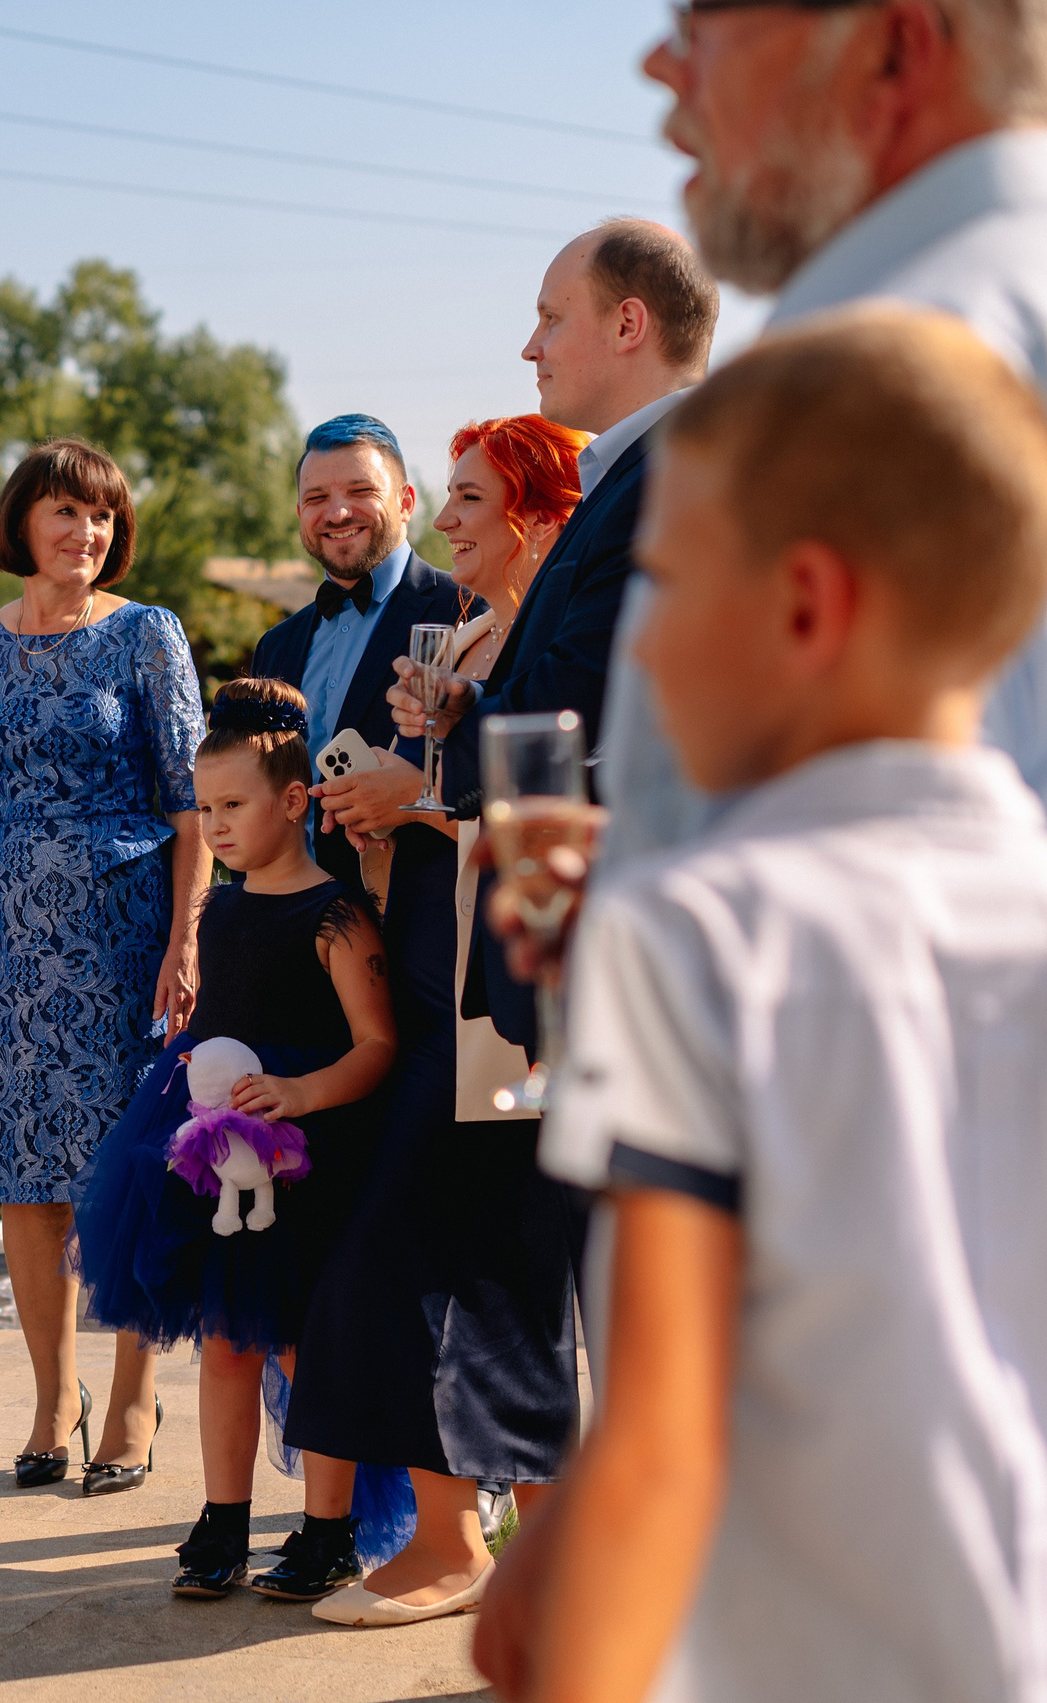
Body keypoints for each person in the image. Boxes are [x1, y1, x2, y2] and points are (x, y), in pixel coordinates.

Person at [486, 309, 1047, 1703]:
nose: (639, 655)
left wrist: (559, 1599)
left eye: (666, 587)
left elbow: (659, 1434)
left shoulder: (695, 937)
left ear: (803, 605)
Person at [586, 0, 1047, 876]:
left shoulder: (886, 374)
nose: (660, 65)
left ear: (893, 50)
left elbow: (854, 911)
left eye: (699, 24)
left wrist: (665, 918)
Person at [285, 417, 594, 1630]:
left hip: (507, 1008)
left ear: (539, 519)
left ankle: (468, 1539)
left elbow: (551, 817)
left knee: (442, 1263)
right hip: (421, 988)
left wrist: (416, 793)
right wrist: (382, 811)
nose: (450, 519)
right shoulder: (460, 638)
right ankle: (482, 1539)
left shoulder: (559, 645)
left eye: (469, 498)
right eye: (452, 496)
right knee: (452, 1267)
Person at [75, 678, 398, 1605]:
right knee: (224, 1341)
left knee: (303, 1345)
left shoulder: (336, 914)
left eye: (233, 806)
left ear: (294, 802)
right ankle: (223, 1518)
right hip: (215, 1157)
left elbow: (377, 1043)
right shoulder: (218, 910)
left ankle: (329, 1529)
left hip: (307, 1157)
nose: (213, 826)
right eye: (205, 807)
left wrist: (299, 1092)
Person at [0, 438, 207, 1493]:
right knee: (25, 1177)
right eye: (64, 511)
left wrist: (186, 938)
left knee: (131, 1169)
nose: (84, 532)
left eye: (101, 516)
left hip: (126, 939)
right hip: (8, 944)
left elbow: (193, 803)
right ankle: (55, 1398)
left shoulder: (147, 634)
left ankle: (134, 1395)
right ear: (22, 522)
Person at [386, 221, 718, 1056]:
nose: (530, 347)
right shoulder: (636, 474)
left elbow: (581, 705)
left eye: (551, 317)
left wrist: (457, 728)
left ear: (628, 323)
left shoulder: (669, 477)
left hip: (616, 955)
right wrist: (463, 702)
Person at [252, 413, 471, 902]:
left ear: (406, 502)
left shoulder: (466, 613)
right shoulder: (276, 644)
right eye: (316, 499)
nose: (337, 513)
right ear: (300, 513)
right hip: (287, 918)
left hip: (412, 920)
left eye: (360, 491)